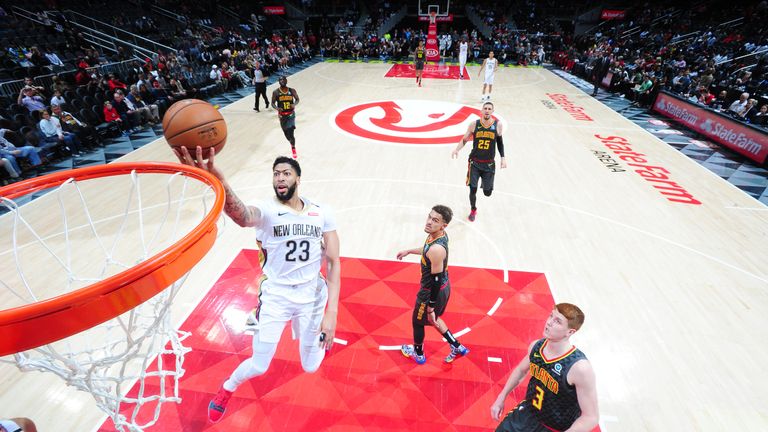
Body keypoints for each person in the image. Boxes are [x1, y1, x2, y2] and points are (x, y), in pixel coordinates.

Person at [173, 148, 340, 424]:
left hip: (313, 297)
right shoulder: (266, 211)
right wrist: (220, 181)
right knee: (260, 364)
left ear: (298, 179)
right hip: (277, 297)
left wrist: (331, 315)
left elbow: (334, 262)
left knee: (311, 367)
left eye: (286, 173)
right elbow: (242, 216)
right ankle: (227, 388)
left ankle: (322, 340)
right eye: (276, 174)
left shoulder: (322, 213)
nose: (280, 179)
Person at [490, 303, 598, 432]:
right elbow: (521, 370)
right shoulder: (536, 346)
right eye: (551, 316)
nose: (549, 323)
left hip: (552, 428)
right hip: (526, 414)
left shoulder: (579, 367)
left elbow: (591, 417)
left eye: (557, 321)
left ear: (570, 331)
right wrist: (501, 397)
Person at [397, 205, 469, 364]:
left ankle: (418, 354)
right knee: (434, 319)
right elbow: (426, 250)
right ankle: (456, 345)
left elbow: (435, 280)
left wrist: (430, 306)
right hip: (445, 286)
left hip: (431, 291)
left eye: (435, 220)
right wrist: (409, 251)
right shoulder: (438, 236)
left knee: (417, 322)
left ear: (444, 225)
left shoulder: (437, 249)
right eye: (429, 217)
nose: (429, 222)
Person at [451, 101, 507, 221]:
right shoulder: (474, 124)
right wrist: (457, 149)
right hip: (475, 162)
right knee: (473, 188)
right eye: (485, 108)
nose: (487, 110)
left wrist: (503, 158)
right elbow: (465, 139)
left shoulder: (498, 125)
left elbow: (500, 143)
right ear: (481, 111)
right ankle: (473, 209)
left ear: (492, 111)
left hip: (489, 164)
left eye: (489, 109)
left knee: (487, 193)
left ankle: (486, 185)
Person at [271, 76, 301, 159]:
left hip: (291, 114)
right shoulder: (276, 92)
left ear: (286, 81)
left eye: (283, 79)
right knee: (287, 135)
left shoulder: (292, 90)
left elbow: (297, 99)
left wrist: (294, 104)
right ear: (278, 82)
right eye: (280, 80)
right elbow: (272, 103)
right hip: (282, 115)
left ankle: (293, 147)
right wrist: (277, 108)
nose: (282, 81)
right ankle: (291, 142)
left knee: (291, 132)